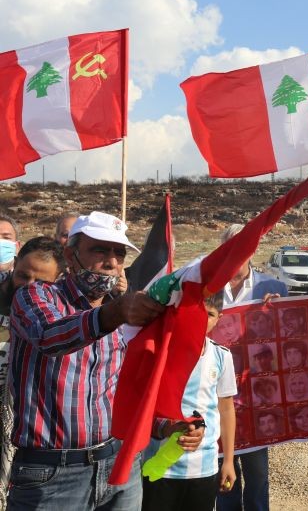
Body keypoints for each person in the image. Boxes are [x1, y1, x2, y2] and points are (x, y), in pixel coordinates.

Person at [7, 211, 184, 510]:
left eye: (119, 253)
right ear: (70, 254)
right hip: (52, 476)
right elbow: (50, 336)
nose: (111, 262)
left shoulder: (120, 314)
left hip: (118, 467)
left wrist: (165, 424)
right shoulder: (36, 296)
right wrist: (113, 314)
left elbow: (117, 393)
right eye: (99, 250)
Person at [142, 292, 237, 511]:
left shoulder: (222, 356)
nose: (203, 320)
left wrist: (229, 461)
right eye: (198, 313)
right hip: (159, 464)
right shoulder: (159, 351)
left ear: (219, 319)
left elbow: (226, 409)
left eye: (210, 315)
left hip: (203, 467)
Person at [217, 224, 288, 511]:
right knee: (224, 472)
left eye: (243, 243)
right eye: (231, 244)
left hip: (258, 396)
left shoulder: (273, 287)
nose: (236, 250)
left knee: (258, 476)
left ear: (252, 248)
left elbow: (290, 338)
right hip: (219, 395)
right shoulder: (206, 287)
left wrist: (282, 312)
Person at [0, 237, 65, 508]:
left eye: (40, 283)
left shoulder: (59, 314)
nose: (28, 287)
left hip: (24, 430)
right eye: (22, 275)